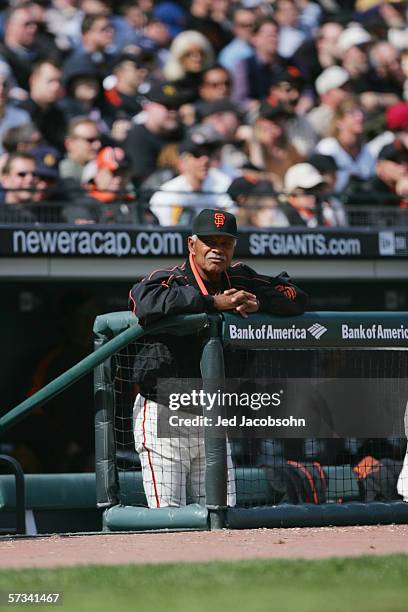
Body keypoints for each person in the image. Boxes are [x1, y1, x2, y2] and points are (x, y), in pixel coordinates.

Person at [129, 208, 308, 508]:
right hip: (163, 411)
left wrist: (260, 302)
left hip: (212, 414)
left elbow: (296, 295)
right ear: (192, 245)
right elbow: (142, 302)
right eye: (209, 242)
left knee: (221, 514)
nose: (217, 249)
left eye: (225, 243)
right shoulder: (171, 278)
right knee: (167, 516)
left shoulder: (240, 277)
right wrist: (212, 302)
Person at [149, 124, 233, 226]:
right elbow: (167, 232)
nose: (205, 160)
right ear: (183, 161)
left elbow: (234, 222)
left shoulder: (222, 182)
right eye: (197, 155)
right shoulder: (167, 194)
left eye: (208, 153)